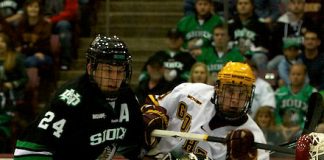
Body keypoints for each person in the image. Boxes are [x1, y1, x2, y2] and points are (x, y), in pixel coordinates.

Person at [14, 35, 145, 159]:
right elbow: (29, 149)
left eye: (120, 71)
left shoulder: (127, 97)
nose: (114, 78)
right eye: (108, 70)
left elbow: (134, 146)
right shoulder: (71, 100)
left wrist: (149, 138)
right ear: (90, 69)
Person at [142, 62, 269, 159]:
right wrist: (153, 116)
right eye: (230, 91)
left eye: (242, 94)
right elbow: (156, 103)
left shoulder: (255, 138)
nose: (235, 100)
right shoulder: (191, 92)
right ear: (218, 89)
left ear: (249, 96)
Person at [0, 32, 28, 153]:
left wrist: (12, 84)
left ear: (7, 44)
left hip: (12, 93)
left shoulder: (16, 57)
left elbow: (24, 79)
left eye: (2, 41)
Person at [275, 63, 317, 140]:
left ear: (305, 76)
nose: (295, 77)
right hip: (281, 129)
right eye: (293, 74)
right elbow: (275, 113)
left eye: (299, 74)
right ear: (289, 75)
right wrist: (280, 126)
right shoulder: (280, 92)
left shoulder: (312, 93)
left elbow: (314, 116)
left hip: (303, 130)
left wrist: (299, 127)